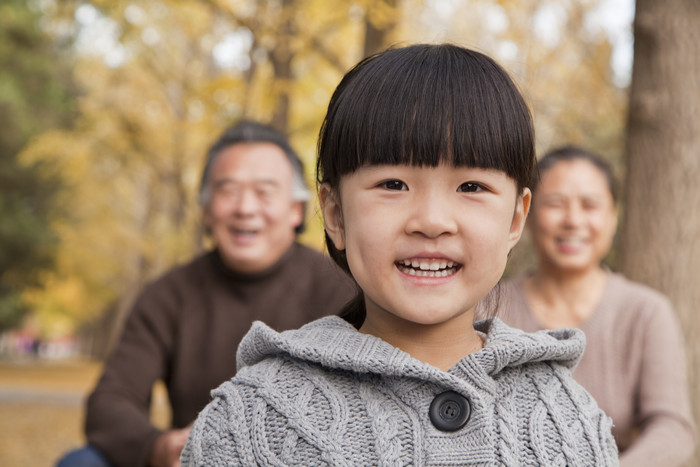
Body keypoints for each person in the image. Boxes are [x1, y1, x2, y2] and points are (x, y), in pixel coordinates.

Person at [180, 44, 619, 465]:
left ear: (515, 220)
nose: (431, 221)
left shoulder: (570, 419)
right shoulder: (250, 418)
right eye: (393, 184)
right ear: (335, 214)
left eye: (471, 187)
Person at [57, 121, 355, 467]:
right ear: (206, 208)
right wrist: (159, 447)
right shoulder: (168, 295)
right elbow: (111, 400)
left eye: (264, 191)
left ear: (296, 209)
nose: (245, 207)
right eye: (227, 190)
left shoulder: (343, 289)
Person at [495, 145, 696, 466]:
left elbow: (673, 427)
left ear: (613, 217)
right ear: (527, 215)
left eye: (590, 205)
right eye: (556, 204)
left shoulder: (646, 311)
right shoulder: (488, 309)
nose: (573, 220)